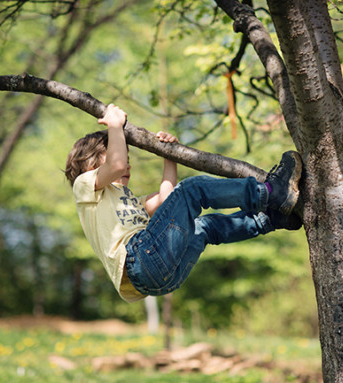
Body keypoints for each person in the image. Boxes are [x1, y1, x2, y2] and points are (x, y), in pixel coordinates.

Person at [65, 104, 302, 303]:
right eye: (120, 153)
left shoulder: (127, 201)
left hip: (159, 278)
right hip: (140, 262)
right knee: (192, 189)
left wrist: (170, 156)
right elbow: (115, 165)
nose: (127, 164)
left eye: (127, 158)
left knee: (202, 227)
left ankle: (270, 219)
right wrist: (115, 125)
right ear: (90, 163)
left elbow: (168, 201)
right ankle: (271, 192)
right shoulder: (84, 187)